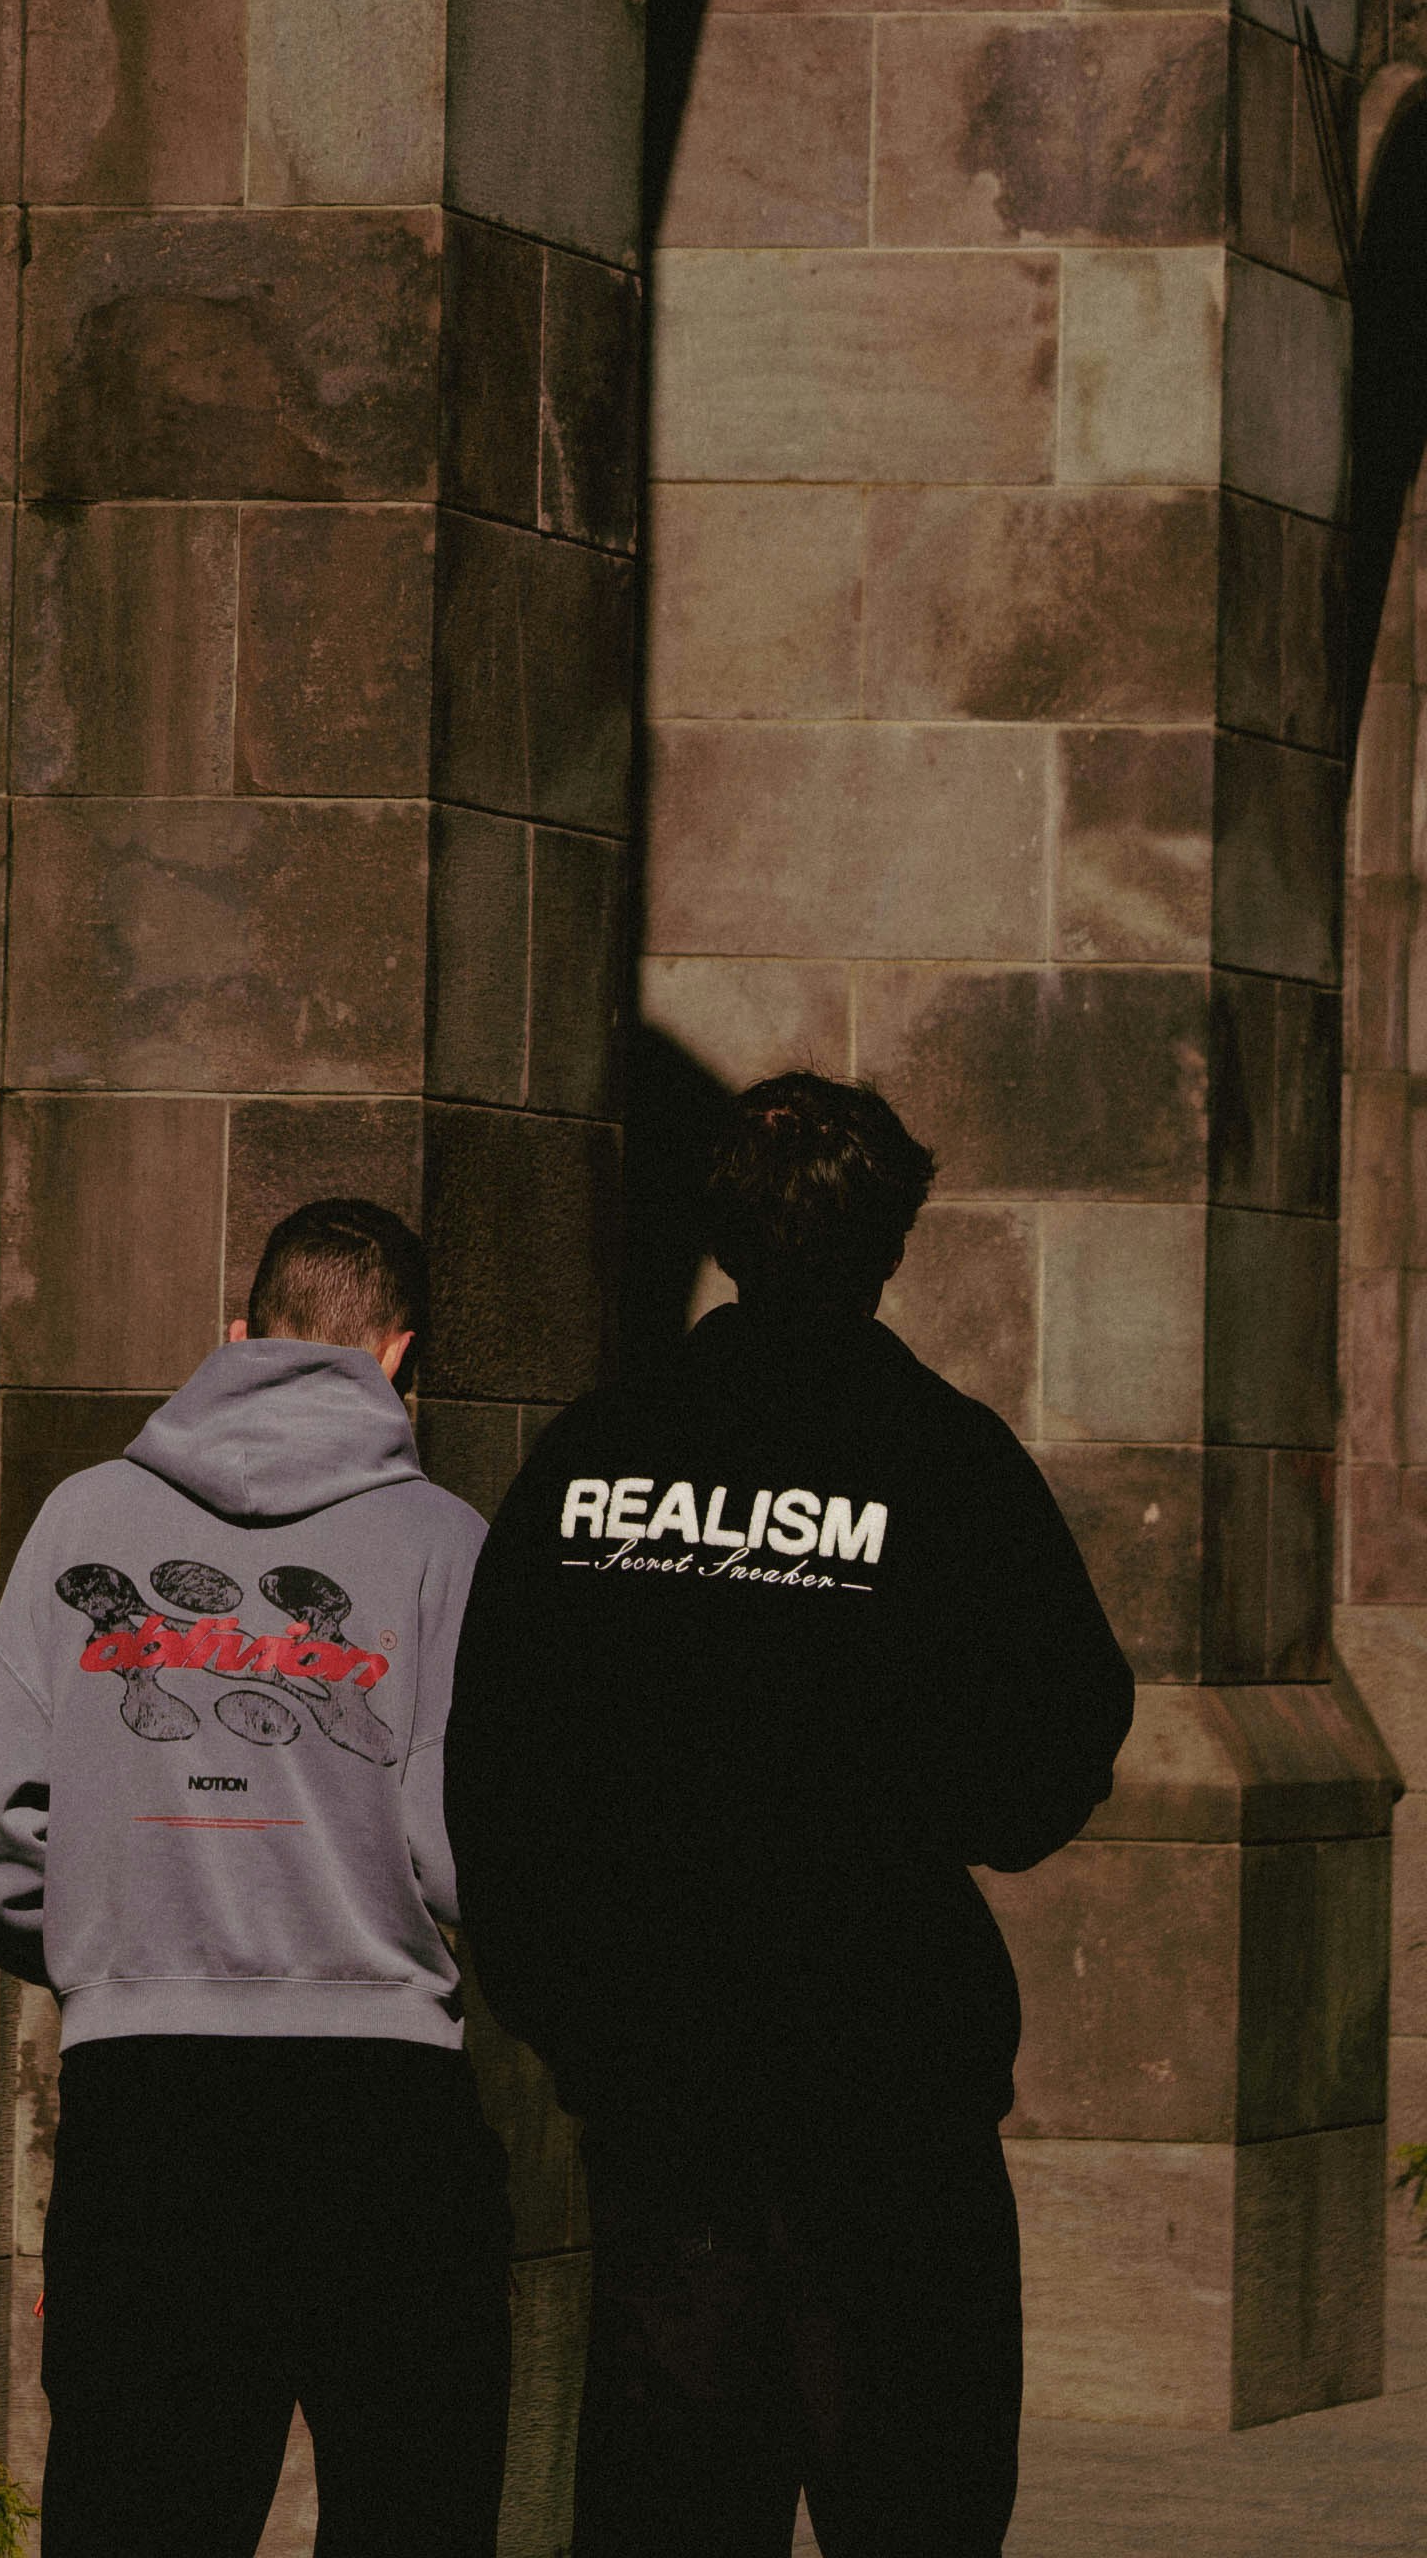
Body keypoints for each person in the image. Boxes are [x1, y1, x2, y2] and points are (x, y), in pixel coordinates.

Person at [447, 1075, 1132, 2558]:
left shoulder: (595, 1462)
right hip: (882, 2105)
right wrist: (901, 1811)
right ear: (890, 1245)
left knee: (671, 2513)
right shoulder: (945, 1464)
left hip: (671, 2109)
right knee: (916, 2501)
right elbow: (1065, 1738)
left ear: (721, 1234)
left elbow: (497, 1771)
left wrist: (582, 2022)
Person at [0, 1198, 503, 2553]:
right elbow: (458, 1849)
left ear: (238, 1336)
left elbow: (0, 1851)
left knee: (139, 2516)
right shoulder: (447, 1548)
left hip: (152, 2102)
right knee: (410, 2516)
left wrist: (135, 1940)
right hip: (381, 2106)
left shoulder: (81, 1518)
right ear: (397, 1358)